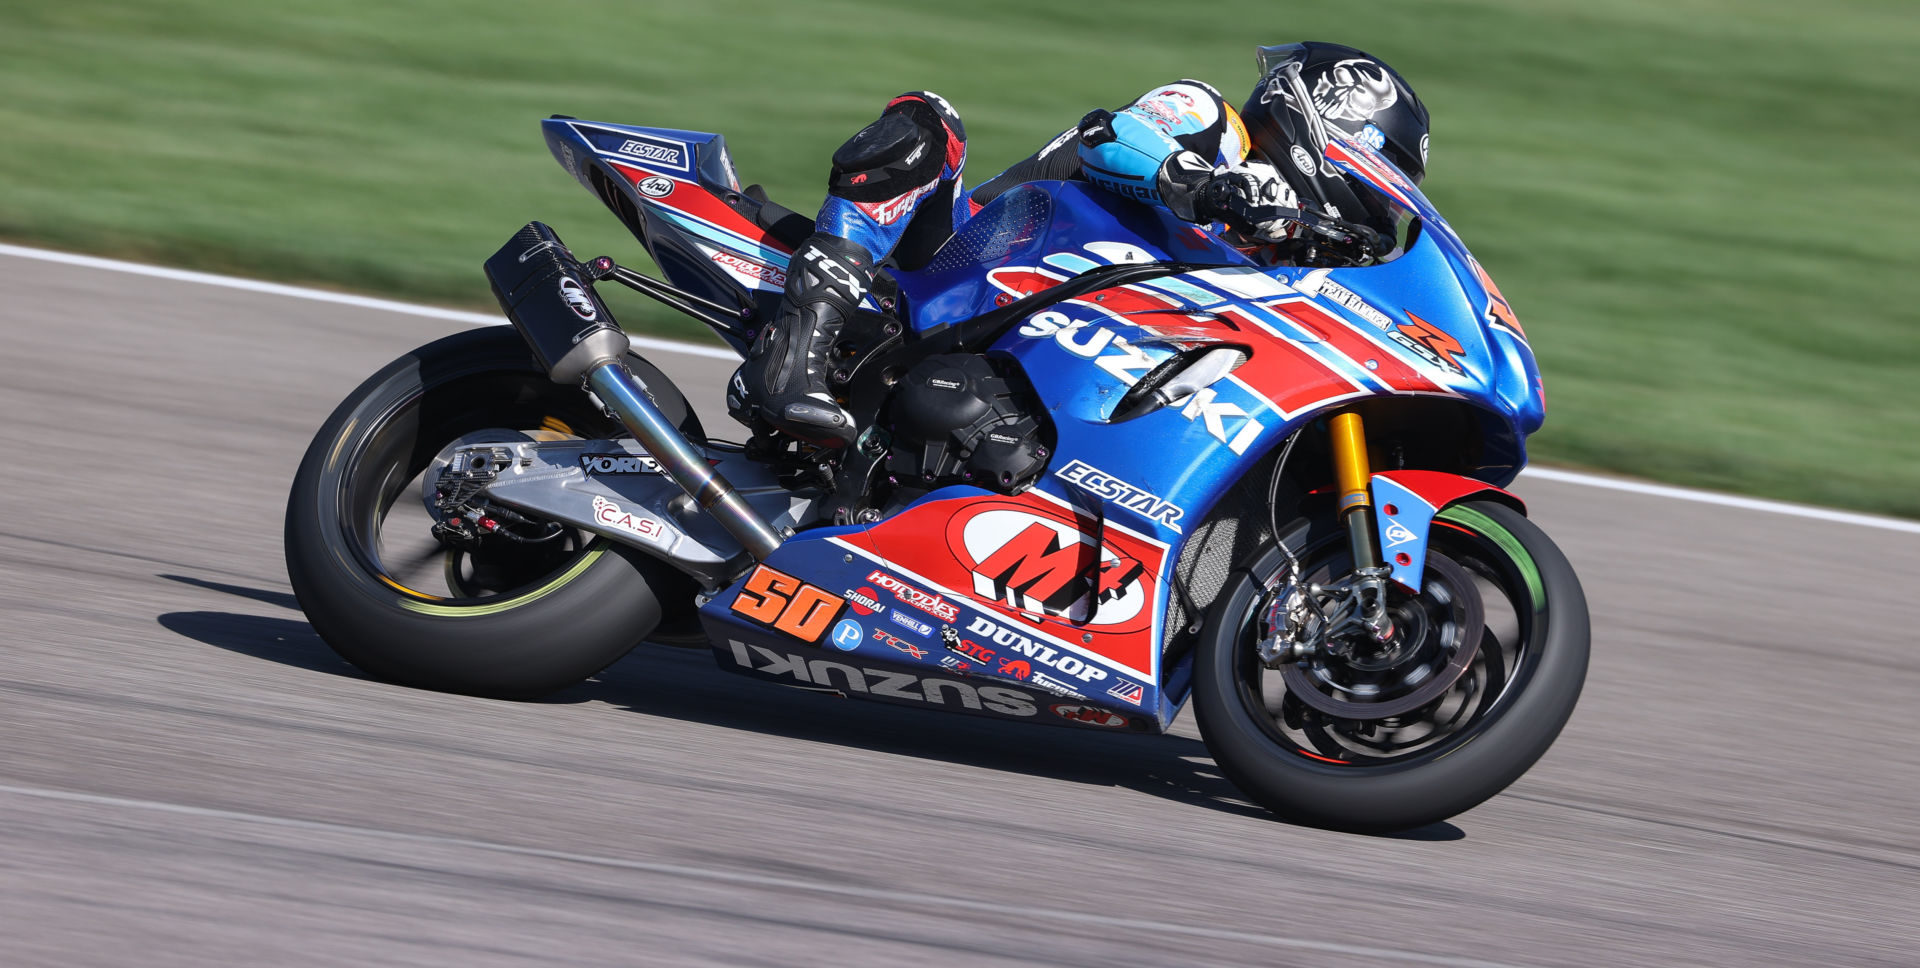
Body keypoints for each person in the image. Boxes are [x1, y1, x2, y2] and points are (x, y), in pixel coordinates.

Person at [732, 42, 1430, 449]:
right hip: (949, 267)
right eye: (1390, 162)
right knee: (928, 122)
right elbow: (1114, 140)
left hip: (1038, 366)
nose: (1388, 191)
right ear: (1338, 120)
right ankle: (798, 353)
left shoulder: (1279, 257)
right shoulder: (1210, 121)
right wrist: (1214, 190)